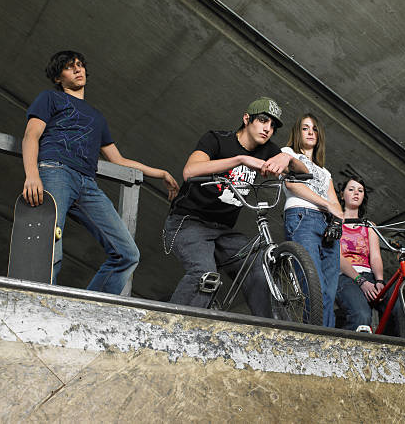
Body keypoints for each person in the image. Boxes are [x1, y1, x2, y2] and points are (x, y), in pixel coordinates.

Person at [22, 50, 179, 295]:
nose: (77, 69)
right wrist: (32, 175)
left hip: (86, 184)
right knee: (51, 244)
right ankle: (40, 304)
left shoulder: (97, 117)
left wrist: (159, 173)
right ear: (58, 78)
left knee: (127, 253)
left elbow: (118, 159)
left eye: (80, 65)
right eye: (69, 67)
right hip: (56, 171)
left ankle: (89, 308)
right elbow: (31, 135)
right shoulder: (50, 99)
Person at [163, 97, 306, 317]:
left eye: (273, 126)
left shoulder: (268, 149)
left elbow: (303, 171)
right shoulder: (217, 140)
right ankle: (169, 325)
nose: (267, 129)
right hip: (187, 223)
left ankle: (274, 332)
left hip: (223, 231)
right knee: (204, 274)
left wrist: (287, 157)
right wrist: (240, 160)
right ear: (246, 119)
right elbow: (190, 171)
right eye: (262, 120)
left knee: (260, 268)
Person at [281, 113, 343, 327]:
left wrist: (336, 220)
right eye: (305, 128)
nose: (310, 132)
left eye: (314, 129)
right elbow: (292, 184)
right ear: (297, 132)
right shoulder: (288, 153)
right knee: (312, 287)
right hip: (302, 217)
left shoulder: (325, 172)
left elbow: (337, 204)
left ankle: (327, 342)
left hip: (328, 227)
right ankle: (313, 340)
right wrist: (326, 205)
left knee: (328, 291)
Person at [335, 177, 389, 332]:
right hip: (344, 276)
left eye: (360, 190)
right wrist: (360, 281)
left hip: (369, 275)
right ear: (341, 195)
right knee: (361, 315)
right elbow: (337, 257)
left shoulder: (369, 225)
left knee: (397, 306)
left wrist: (379, 281)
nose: (356, 193)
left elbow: (376, 256)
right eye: (351, 189)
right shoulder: (335, 222)